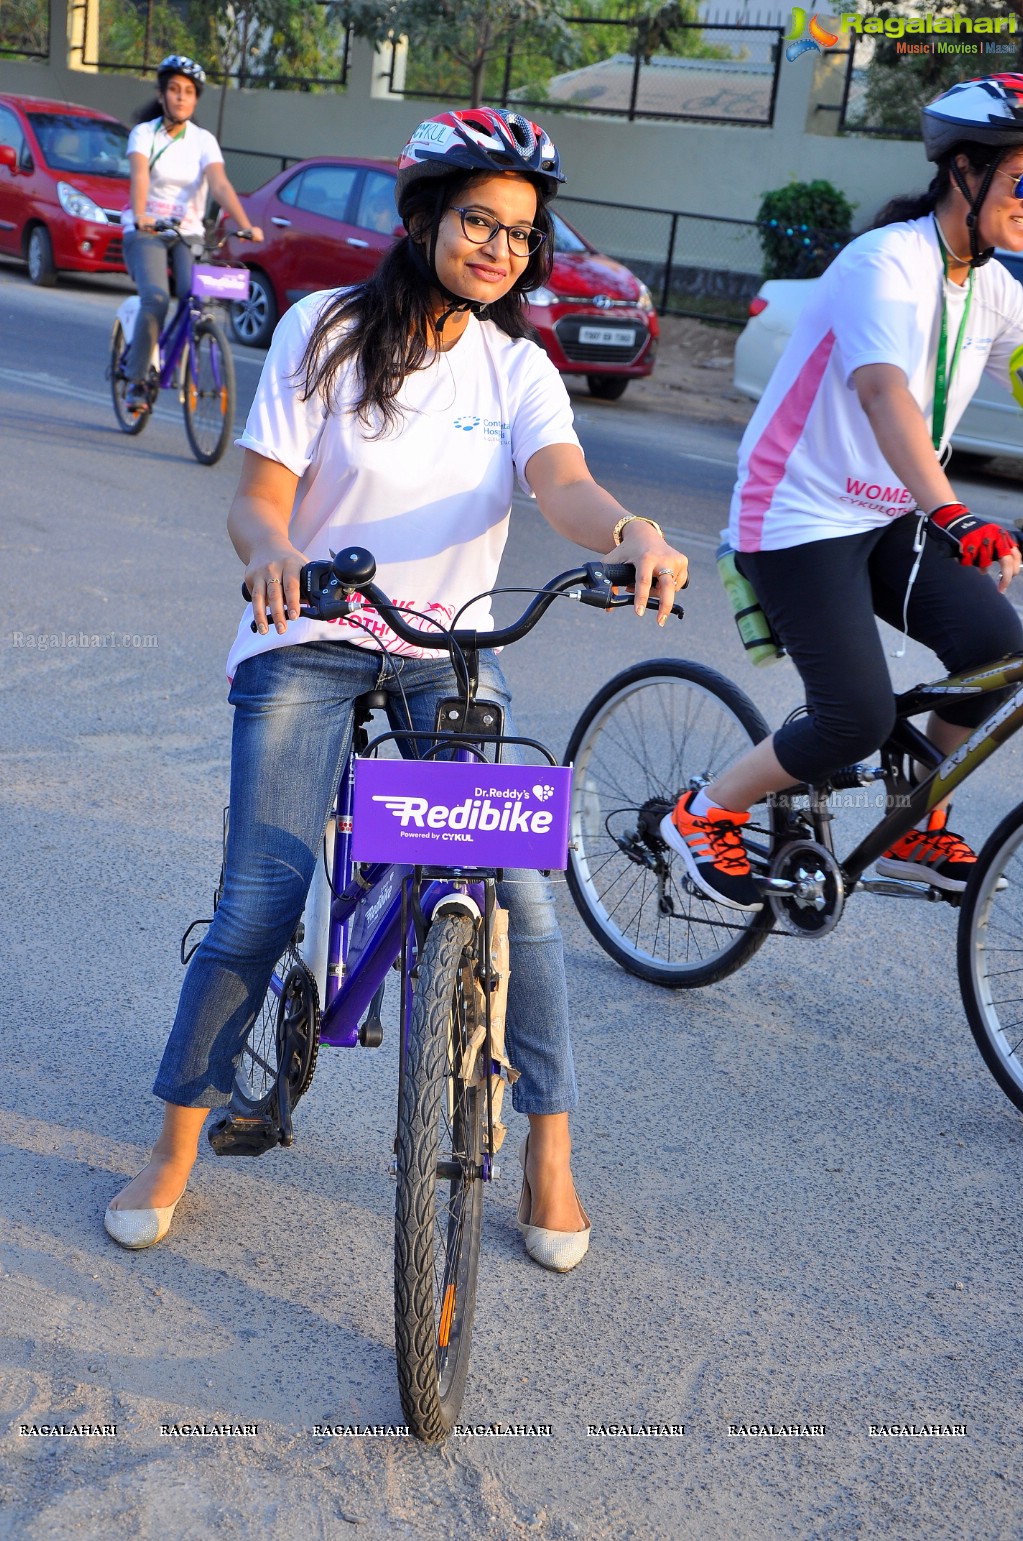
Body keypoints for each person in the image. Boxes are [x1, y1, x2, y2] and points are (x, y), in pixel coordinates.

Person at [105, 107, 688, 1270]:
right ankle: (174, 1137)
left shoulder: (517, 365)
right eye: (479, 220)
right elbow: (258, 492)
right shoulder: (324, 328)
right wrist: (271, 550)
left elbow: (560, 480)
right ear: (422, 216)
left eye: (523, 234)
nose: (499, 248)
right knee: (260, 900)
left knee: (519, 898)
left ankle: (548, 1146)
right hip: (310, 631)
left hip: (447, 652)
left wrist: (626, 529)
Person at [661, 74, 1023, 912]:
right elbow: (883, 393)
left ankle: (908, 819)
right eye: (1021, 181)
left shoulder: (990, 284)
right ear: (963, 169)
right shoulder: (884, 263)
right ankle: (703, 811)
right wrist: (954, 512)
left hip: (886, 514)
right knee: (852, 717)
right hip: (795, 514)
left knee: (997, 657)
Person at [121, 55, 263, 413]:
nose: (181, 97)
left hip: (188, 232)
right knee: (155, 298)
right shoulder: (144, 134)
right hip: (147, 230)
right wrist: (141, 215)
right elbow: (139, 176)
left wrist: (244, 223)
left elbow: (219, 183)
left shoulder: (203, 141)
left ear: (195, 98)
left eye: (188, 92)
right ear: (162, 94)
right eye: (173, 90)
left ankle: (182, 358)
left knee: (195, 298)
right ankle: (137, 381)